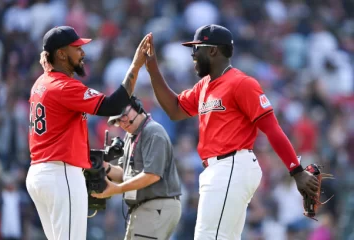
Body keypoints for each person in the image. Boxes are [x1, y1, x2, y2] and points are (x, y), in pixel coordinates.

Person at [140, 25, 320, 239]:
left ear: (213, 51)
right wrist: (152, 68)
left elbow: (272, 129)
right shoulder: (204, 86)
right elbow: (175, 109)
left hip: (231, 165)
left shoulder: (242, 83)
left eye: (197, 48)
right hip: (220, 169)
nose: (193, 54)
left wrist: (296, 171)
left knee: (208, 236)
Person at [25, 26, 149, 240]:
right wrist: (136, 65)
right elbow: (112, 105)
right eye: (77, 48)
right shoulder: (64, 86)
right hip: (59, 173)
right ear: (61, 54)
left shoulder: (41, 83)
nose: (82, 53)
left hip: (40, 174)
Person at [91, 96, 182, 240]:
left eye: (124, 116)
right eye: (118, 121)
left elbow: (152, 175)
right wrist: (105, 167)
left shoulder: (153, 131)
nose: (122, 122)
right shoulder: (130, 136)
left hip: (156, 204)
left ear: (138, 107)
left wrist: (118, 189)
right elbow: (124, 174)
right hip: (143, 208)